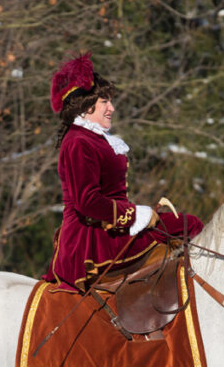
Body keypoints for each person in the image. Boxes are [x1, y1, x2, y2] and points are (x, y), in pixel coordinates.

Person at [42, 53, 203, 292]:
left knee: (189, 224)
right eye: (105, 101)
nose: (112, 108)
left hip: (110, 226)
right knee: (188, 225)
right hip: (90, 238)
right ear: (86, 105)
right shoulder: (78, 141)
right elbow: (87, 202)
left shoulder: (94, 139)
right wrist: (136, 214)